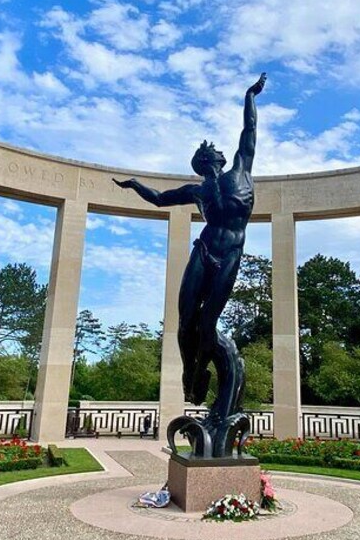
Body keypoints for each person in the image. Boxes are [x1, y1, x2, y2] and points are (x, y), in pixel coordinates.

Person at [113, 73, 267, 438]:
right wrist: (135, 185)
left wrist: (250, 95)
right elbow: (159, 198)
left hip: (230, 254)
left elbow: (249, 129)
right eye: (204, 156)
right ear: (200, 163)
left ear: (220, 157)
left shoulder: (242, 170)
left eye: (211, 153)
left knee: (208, 325)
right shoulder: (196, 191)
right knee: (185, 322)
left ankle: (206, 375)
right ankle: (190, 372)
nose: (210, 155)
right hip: (204, 251)